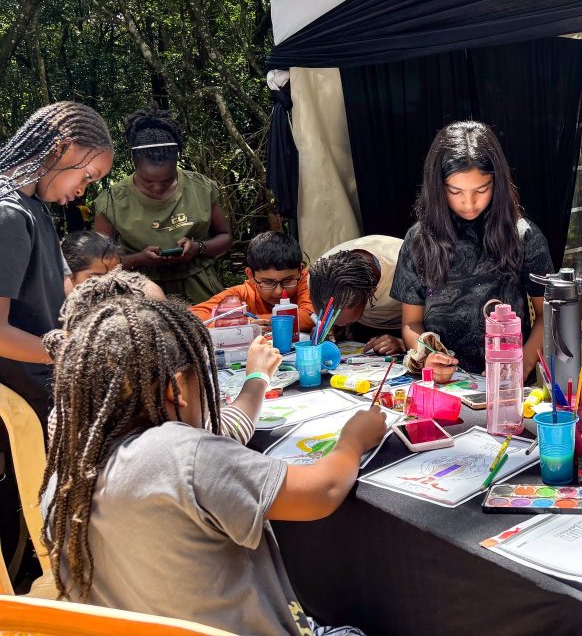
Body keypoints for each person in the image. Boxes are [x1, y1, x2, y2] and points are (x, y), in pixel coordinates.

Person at [40, 297, 386, 635]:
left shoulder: (67, 472)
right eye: (202, 376)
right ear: (177, 388)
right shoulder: (183, 455)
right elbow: (321, 492)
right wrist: (353, 440)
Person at [391, 121, 552, 380]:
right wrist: (427, 354)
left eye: (481, 190)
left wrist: (521, 366)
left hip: (509, 382)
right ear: (437, 187)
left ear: (497, 183)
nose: (469, 203)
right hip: (446, 383)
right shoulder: (419, 239)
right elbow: (411, 322)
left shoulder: (522, 236)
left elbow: (548, 315)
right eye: (455, 191)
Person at [0, 101, 113, 422]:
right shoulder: (8, 214)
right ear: (62, 148)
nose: (81, 191)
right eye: (88, 176)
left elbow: (66, 290)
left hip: (53, 389)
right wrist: (78, 353)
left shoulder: (35, 206)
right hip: (27, 409)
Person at [52, 268, 258, 445]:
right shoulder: (170, 434)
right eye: (165, 324)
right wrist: (257, 378)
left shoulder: (69, 412)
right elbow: (227, 431)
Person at [93, 105, 232, 303]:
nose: (158, 188)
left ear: (176, 162)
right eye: (148, 181)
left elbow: (225, 237)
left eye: (167, 181)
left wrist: (197, 248)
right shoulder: (112, 201)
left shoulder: (200, 187)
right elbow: (98, 262)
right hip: (139, 293)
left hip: (201, 292)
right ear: (135, 163)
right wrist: (138, 259)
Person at [191, 231, 315, 333]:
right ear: (250, 275)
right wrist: (237, 325)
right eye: (267, 282)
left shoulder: (308, 280)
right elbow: (191, 318)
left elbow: (310, 317)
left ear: (300, 270)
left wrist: (246, 323)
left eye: (288, 280)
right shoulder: (240, 295)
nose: (279, 292)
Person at [309, 235, 404, 355]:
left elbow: (431, 322)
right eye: (328, 320)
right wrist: (327, 329)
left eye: (339, 323)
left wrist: (404, 343)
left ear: (371, 294)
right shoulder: (319, 276)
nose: (331, 324)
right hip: (361, 331)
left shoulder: (406, 267)